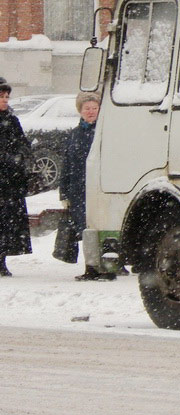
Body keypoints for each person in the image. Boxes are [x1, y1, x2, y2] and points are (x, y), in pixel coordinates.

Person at [58, 91, 106, 280]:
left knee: (101, 225)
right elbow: (67, 165)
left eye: (95, 108)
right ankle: (91, 266)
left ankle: (107, 265)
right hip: (79, 191)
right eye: (87, 108)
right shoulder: (74, 134)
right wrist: (64, 194)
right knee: (86, 229)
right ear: (80, 111)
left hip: (100, 188)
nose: (91, 112)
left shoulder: (105, 133)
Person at [0, 76, 33, 275]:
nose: (5, 100)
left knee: (6, 223)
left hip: (9, 182)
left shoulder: (12, 121)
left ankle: (1, 259)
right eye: (2, 96)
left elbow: (23, 145)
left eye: (7, 97)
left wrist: (17, 159)